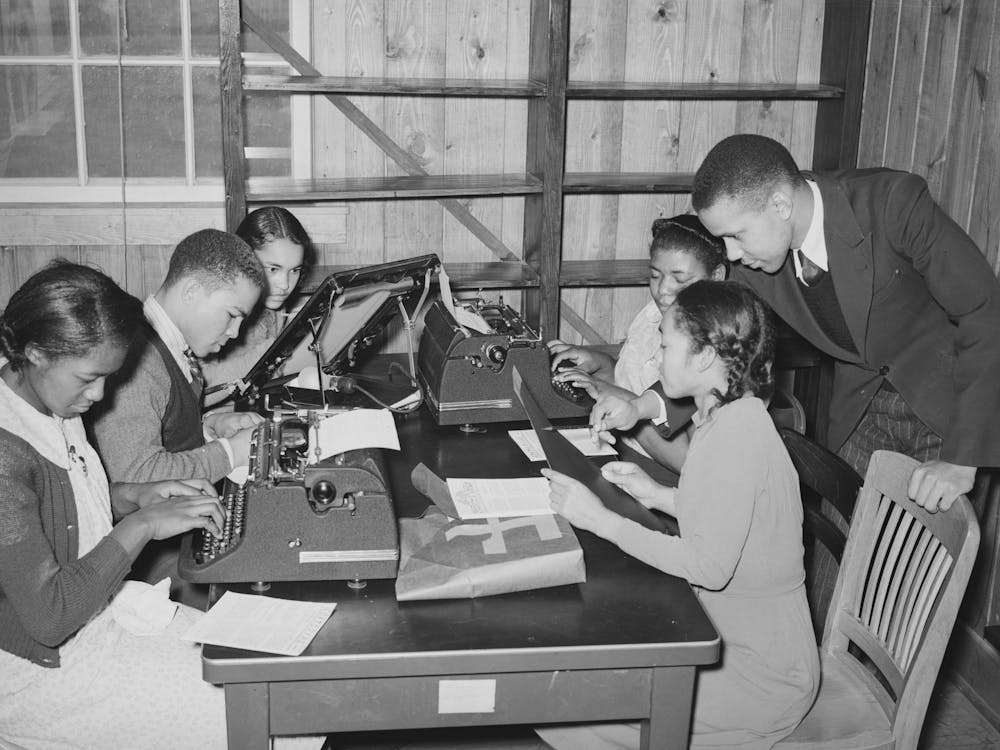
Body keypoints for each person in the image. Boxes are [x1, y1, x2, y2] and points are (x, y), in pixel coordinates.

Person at [537, 280, 819, 750]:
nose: (657, 358)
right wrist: (656, 495)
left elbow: (707, 564)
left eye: (666, 346)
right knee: (575, 682)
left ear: (705, 357)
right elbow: (728, 516)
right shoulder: (730, 414)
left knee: (563, 702)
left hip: (761, 675)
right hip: (731, 635)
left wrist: (600, 520)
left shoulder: (736, 437)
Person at [691, 133, 1000, 513]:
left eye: (736, 235)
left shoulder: (892, 203)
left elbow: (985, 311)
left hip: (951, 411)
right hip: (859, 412)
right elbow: (720, 341)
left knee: (924, 570)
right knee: (837, 561)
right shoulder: (752, 261)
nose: (732, 254)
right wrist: (650, 405)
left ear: (780, 204)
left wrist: (961, 458)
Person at [0, 261, 230, 748]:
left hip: (97, 617)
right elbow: (50, 618)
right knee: (244, 706)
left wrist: (131, 496)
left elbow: (60, 505)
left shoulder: (46, 399)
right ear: (35, 353)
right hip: (35, 667)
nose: (100, 393)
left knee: (259, 668)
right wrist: (142, 525)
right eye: (89, 378)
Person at [547, 214, 726, 472]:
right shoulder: (655, 313)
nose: (663, 290)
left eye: (680, 279)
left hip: (665, 479)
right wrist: (602, 367)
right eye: (655, 275)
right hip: (623, 452)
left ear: (716, 276)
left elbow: (688, 463)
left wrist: (623, 401)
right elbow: (635, 379)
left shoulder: (713, 348)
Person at [89, 228, 266, 484]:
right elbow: (136, 476)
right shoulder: (137, 361)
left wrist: (209, 429)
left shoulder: (172, 346)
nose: (235, 332)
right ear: (191, 290)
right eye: (232, 314)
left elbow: (168, 435)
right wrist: (231, 452)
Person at [202, 206, 313, 407]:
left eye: (294, 270)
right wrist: (277, 348)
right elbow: (199, 393)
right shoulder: (218, 307)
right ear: (244, 259)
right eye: (273, 269)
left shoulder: (274, 306)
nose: (285, 285)